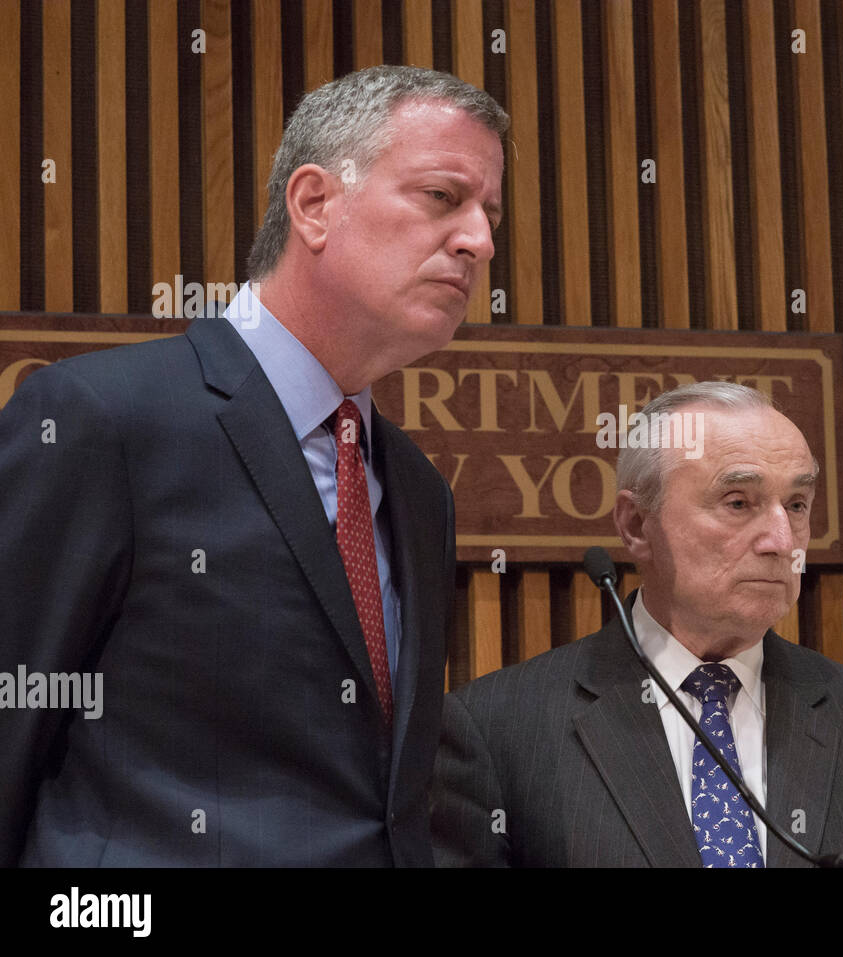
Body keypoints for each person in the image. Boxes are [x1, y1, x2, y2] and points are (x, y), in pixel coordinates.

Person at [0, 65, 507, 866]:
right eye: (444, 197)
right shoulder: (103, 420)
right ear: (314, 204)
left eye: (488, 213)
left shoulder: (416, 489)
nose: (479, 240)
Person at [430, 382, 843, 867]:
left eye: (796, 504)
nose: (781, 540)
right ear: (637, 526)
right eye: (737, 503)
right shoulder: (497, 731)